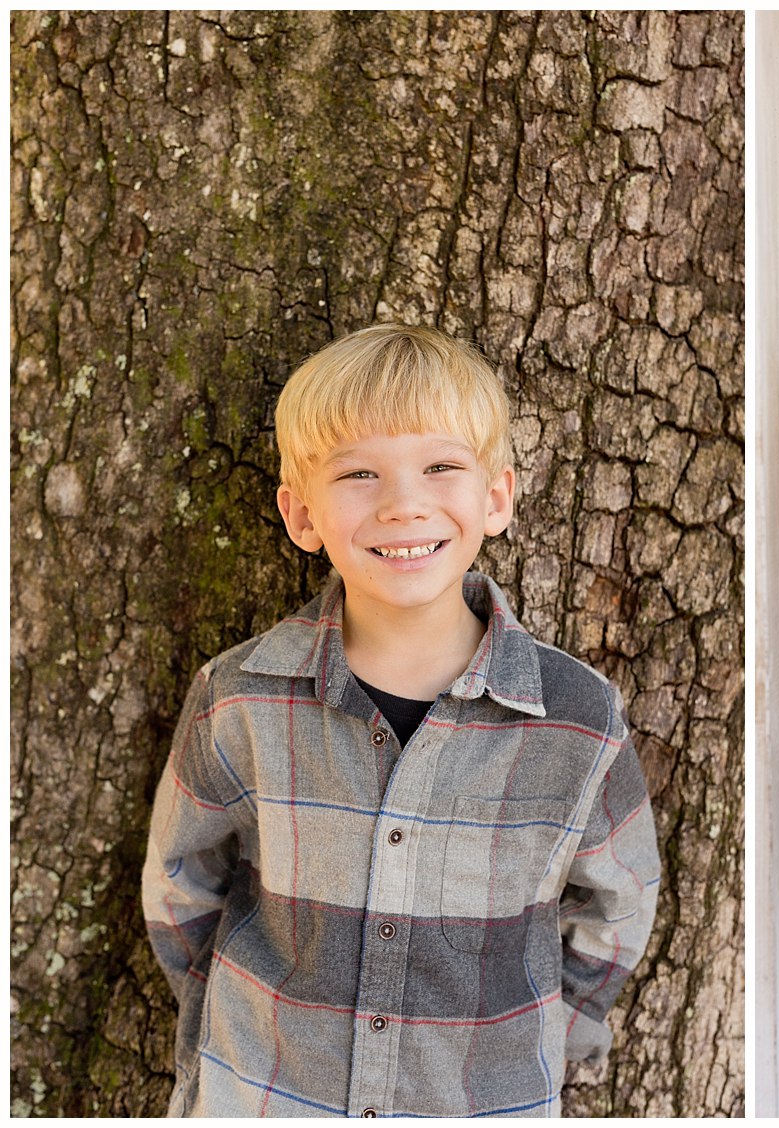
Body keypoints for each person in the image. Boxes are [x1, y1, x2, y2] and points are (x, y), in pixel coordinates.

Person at [142, 324, 660, 1116]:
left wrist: (548, 1033)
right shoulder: (239, 698)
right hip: (273, 1094)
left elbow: (615, 906)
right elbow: (182, 891)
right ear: (302, 514)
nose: (403, 503)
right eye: (358, 474)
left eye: (440, 466)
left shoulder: (577, 717)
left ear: (496, 498)